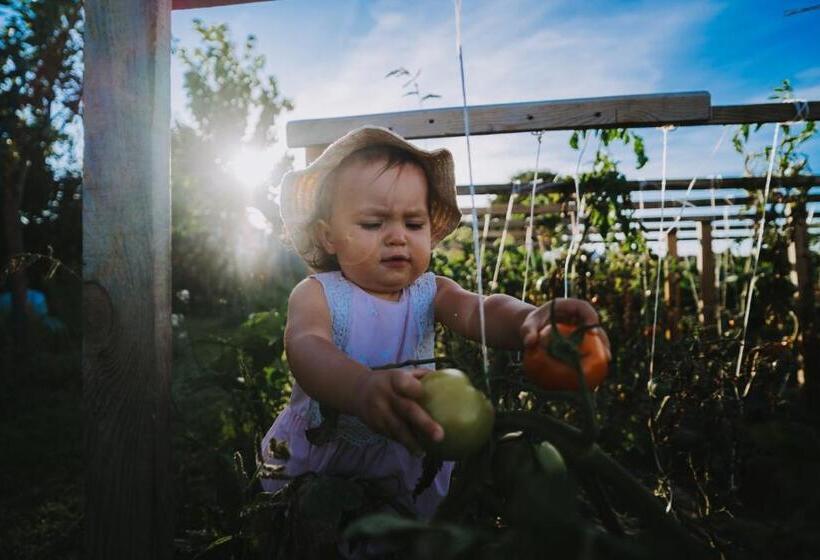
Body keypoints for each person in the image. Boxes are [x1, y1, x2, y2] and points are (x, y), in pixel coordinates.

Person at [260, 125, 607, 521]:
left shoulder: (430, 292)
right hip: (325, 456)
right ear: (328, 237)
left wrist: (530, 318)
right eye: (373, 224)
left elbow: (483, 309)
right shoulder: (317, 293)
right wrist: (360, 388)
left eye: (413, 224)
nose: (397, 238)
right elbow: (306, 347)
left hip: (405, 455)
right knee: (315, 535)